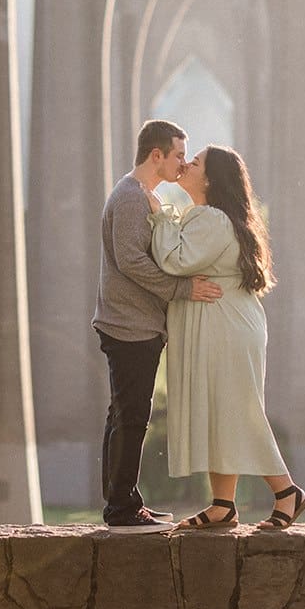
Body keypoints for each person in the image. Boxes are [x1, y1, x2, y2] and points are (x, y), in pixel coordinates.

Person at [148, 145, 305, 531]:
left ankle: (287, 492)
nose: (186, 164)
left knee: (238, 411)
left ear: (210, 179)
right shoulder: (217, 218)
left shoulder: (211, 219)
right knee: (223, 412)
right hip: (230, 324)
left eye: (196, 161)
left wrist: (161, 215)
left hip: (227, 328)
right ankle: (223, 505)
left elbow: (175, 259)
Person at [93, 119, 223, 530]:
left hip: (132, 322)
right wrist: (183, 289)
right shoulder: (131, 196)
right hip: (129, 325)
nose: (182, 164)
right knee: (132, 416)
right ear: (157, 155)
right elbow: (131, 261)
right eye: (179, 155)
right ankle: (122, 510)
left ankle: (123, 500)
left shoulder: (139, 195)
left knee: (123, 414)